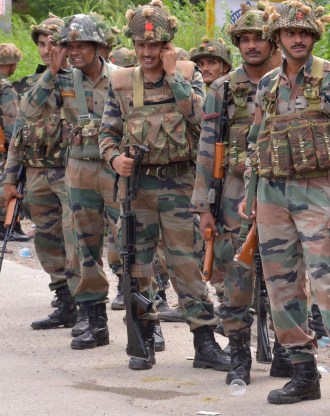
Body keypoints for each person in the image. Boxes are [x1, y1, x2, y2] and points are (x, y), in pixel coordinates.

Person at [243, 1, 330, 413]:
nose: (297, 39)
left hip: (318, 191)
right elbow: (254, 141)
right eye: (289, 33)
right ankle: (302, 374)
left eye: (304, 33)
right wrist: (251, 195)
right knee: (281, 285)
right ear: (277, 38)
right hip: (271, 194)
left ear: (314, 37)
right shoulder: (266, 85)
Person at [98, 0, 228, 371]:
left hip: (180, 185)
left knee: (185, 264)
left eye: (155, 46)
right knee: (138, 265)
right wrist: (113, 159)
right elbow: (106, 135)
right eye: (141, 46)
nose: (148, 52)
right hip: (137, 188)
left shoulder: (188, 74)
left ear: (166, 45)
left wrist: (175, 77)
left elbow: (204, 121)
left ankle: (204, 341)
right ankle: (144, 337)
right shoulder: (122, 82)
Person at [16, 13, 138, 351]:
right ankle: (93, 319)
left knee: (131, 241)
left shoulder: (121, 77)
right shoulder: (62, 80)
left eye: (82, 44)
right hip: (78, 169)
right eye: (69, 45)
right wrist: (51, 72)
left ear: (98, 45)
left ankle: (144, 319)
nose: (74, 51)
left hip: (115, 170)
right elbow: (28, 113)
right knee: (83, 247)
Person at [191, 0, 283, 386]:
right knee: (235, 273)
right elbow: (207, 147)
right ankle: (240, 354)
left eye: (258, 38)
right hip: (232, 190)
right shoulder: (222, 89)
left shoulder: (289, 81)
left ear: (272, 42)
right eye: (243, 39)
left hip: (281, 187)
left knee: (285, 272)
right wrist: (204, 205)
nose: (251, 46)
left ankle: (288, 353)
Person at [4, 14, 77, 329]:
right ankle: (64, 298)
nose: (49, 51)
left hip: (72, 171)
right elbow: (18, 133)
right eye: (43, 45)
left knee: (77, 237)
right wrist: (9, 180)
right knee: (47, 239)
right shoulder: (29, 85)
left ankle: (88, 304)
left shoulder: (81, 80)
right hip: (36, 173)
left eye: (55, 44)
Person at [0, 43, 25, 240]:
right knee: (7, 180)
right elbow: (12, 120)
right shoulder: (5, 88)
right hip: (1, 145)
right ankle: (4, 224)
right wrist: (15, 146)